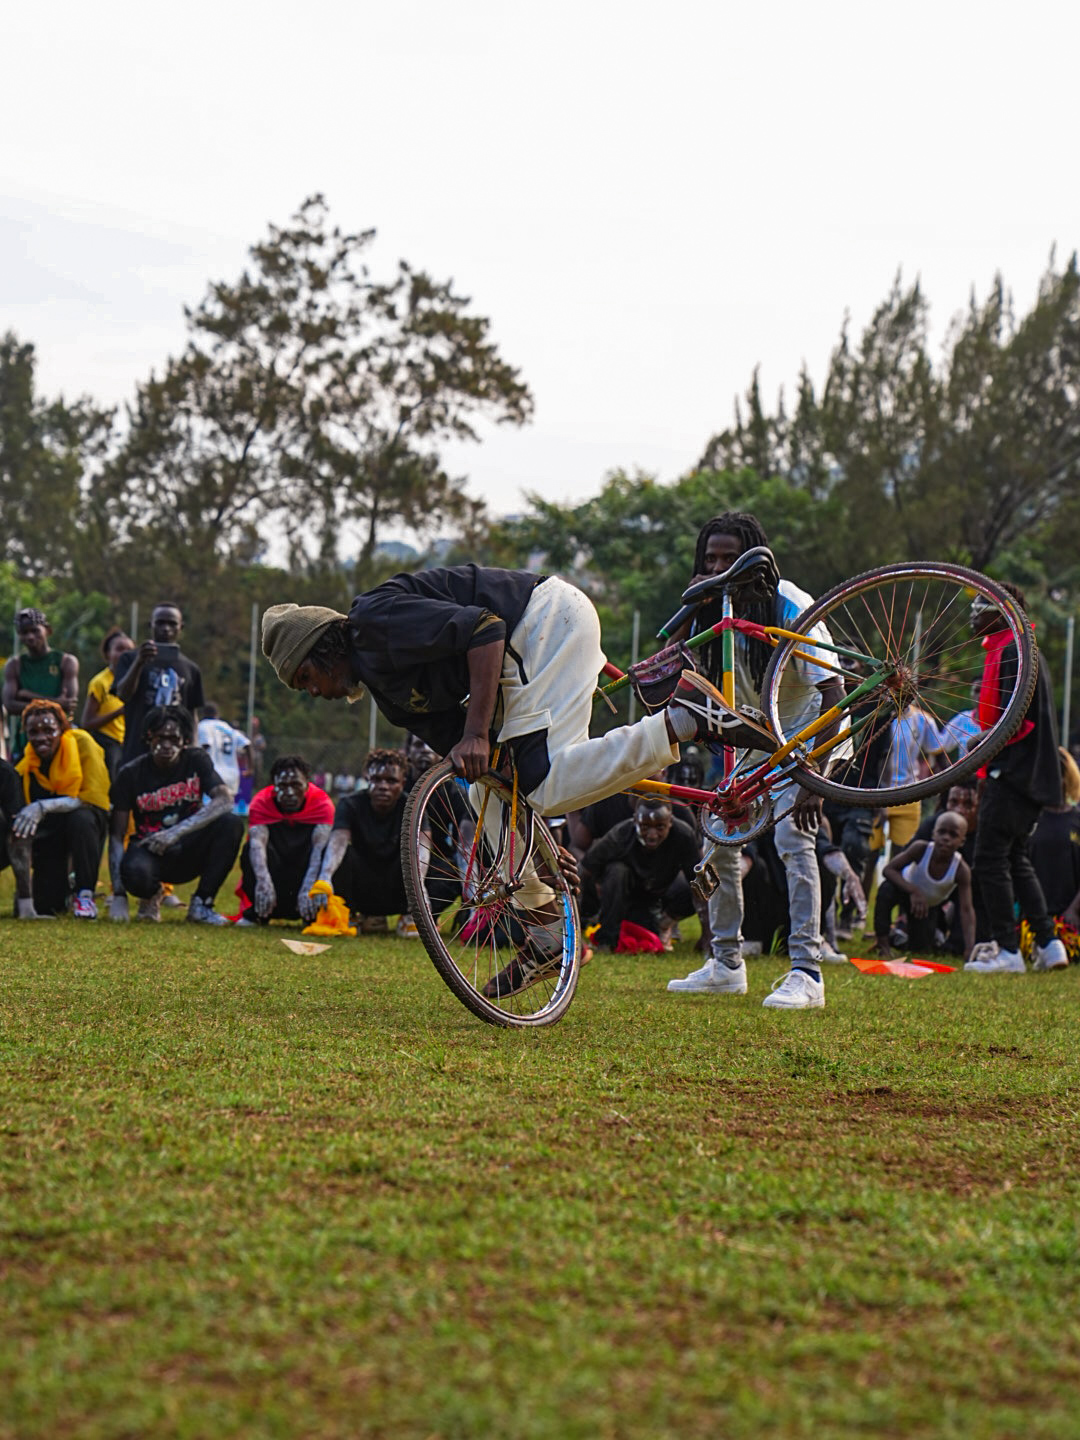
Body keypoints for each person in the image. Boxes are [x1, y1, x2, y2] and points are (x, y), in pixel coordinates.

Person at [260, 565, 748, 823]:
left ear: (321, 650)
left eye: (305, 678)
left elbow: (484, 629)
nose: (313, 692)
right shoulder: (387, 694)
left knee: (547, 783)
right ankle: (543, 928)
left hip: (539, 621)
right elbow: (491, 767)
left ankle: (683, 718)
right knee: (487, 795)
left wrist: (475, 732)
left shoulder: (374, 622)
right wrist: (543, 847)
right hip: (527, 646)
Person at [665, 512, 847, 1010]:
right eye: (711, 559)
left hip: (810, 725)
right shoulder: (707, 606)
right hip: (752, 730)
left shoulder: (791, 604)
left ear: (757, 560)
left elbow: (834, 693)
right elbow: (678, 677)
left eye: (731, 557)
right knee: (718, 838)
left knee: (794, 839)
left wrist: (815, 780)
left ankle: (807, 973)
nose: (721, 567)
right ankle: (725, 964)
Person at [964, 582, 1068, 974]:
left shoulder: (1014, 650)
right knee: (1015, 858)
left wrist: (983, 745)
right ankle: (1048, 943)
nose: (973, 613)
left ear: (1002, 610)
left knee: (989, 859)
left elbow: (1015, 719)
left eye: (980, 604)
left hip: (1013, 771)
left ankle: (1008, 950)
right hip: (1033, 775)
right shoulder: (1021, 648)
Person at [109, 706, 244, 924]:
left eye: (174, 738)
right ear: (148, 737)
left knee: (231, 824)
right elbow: (116, 835)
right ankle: (151, 894)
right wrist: (118, 895)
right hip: (151, 849)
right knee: (135, 872)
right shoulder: (131, 773)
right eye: (160, 737)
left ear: (185, 741)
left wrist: (175, 833)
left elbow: (225, 800)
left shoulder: (196, 759)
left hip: (188, 845)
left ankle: (202, 903)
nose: (166, 745)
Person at [11, 699, 110, 917]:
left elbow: (91, 798)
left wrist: (42, 806)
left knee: (81, 818)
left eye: (49, 730)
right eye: (33, 732)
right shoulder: (27, 762)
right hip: (52, 833)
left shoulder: (83, 743)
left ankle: (85, 895)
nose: (41, 737)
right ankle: (63, 889)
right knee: (47, 905)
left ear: (62, 729)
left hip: (87, 823)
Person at [583, 795, 700, 950]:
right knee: (616, 871)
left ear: (670, 822)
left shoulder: (684, 835)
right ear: (635, 821)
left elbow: (700, 882)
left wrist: (708, 937)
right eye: (645, 827)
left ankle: (663, 926)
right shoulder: (620, 834)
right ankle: (607, 937)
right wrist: (580, 916)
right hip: (623, 897)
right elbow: (584, 869)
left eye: (660, 827)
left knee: (698, 885)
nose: (652, 835)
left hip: (660, 897)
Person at [315, 748, 413, 931]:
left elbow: (422, 845)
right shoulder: (350, 803)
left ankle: (411, 917)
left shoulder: (413, 805)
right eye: (377, 780)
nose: (383, 786)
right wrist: (325, 877)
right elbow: (338, 841)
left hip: (400, 885)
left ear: (403, 783)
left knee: (437, 862)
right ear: (367, 779)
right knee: (331, 853)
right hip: (363, 883)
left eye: (391, 781)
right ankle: (351, 913)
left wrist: (419, 888)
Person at [236, 755, 335, 925]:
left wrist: (308, 890)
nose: (289, 792)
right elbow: (257, 847)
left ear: (307, 785)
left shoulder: (322, 804)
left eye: (296, 785)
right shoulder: (261, 802)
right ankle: (261, 913)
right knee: (249, 850)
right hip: (276, 873)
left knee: (331, 853)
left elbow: (319, 853)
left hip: (304, 872)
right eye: (282, 786)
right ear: (273, 786)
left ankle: (313, 915)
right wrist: (263, 882)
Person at [873, 811, 976, 960]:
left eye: (953, 835)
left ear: (962, 841)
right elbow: (888, 870)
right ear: (933, 834)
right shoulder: (921, 849)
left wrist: (969, 948)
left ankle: (896, 938)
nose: (946, 838)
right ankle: (883, 945)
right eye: (942, 832)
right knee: (886, 890)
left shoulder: (961, 870)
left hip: (925, 908)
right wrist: (913, 890)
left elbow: (966, 909)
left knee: (920, 951)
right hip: (904, 891)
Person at [111, 603, 205, 766]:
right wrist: (139, 662)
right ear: (151, 625)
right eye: (160, 623)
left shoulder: (190, 668)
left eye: (172, 624)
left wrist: (193, 748)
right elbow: (123, 694)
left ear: (180, 628)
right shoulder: (130, 659)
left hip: (175, 755)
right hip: (137, 752)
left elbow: (192, 714)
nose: (166, 628)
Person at [3, 608, 79, 761]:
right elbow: (9, 705)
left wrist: (27, 695)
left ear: (48, 630)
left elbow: (68, 705)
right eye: (24, 632)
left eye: (35, 630)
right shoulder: (14, 665)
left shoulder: (66, 661)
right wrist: (56, 701)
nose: (30, 636)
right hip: (25, 739)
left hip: (59, 739)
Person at [80, 628, 135, 780]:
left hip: (130, 741)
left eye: (129, 650)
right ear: (108, 654)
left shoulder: (137, 680)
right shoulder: (100, 682)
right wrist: (118, 712)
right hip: (108, 742)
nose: (124, 653)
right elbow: (86, 722)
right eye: (119, 649)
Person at [1, 753, 44, 919]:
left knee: (19, 826)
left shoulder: (5, 773)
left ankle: (24, 902)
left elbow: (19, 834)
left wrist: (25, 899)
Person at [198, 702, 251, 801]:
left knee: (210, 810)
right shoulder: (227, 727)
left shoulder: (203, 725)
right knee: (226, 807)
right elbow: (247, 744)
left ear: (204, 713)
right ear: (217, 714)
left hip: (212, 774)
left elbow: (205, 745)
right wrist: (251, 768)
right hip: (231, 775)